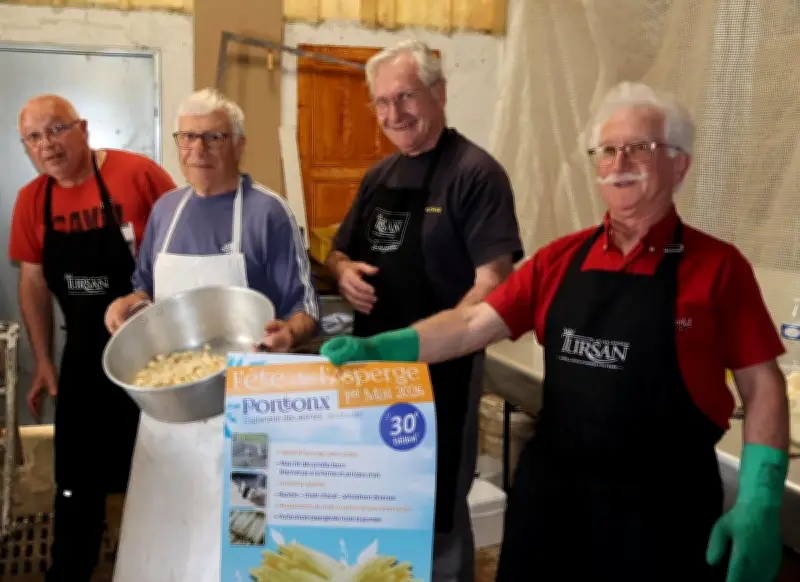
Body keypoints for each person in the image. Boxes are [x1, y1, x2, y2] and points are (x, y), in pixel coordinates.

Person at [321, 82, 790, 581]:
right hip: (554, 506)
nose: (619, 162)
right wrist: (385, 347)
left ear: (679, 164)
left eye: (639, 147)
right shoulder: (560, 259)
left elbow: (762, 386)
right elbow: (472, 324)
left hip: (661, 513)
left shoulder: (719, 268)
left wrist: (759, 501)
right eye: (607, 150)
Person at [325, 40, 523, 582]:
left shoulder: (476, 174)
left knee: (435, 509)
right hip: (373, 371)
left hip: (442, 376)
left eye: (406, 96)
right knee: (378, 497)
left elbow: (494, 282)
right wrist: (343, 272)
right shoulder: (378, 176)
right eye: (382, 102)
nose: (394, 113)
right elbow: (338, 251)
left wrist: (439, 341)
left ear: (439, 92)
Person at [102, 88, 319, 580]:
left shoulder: (269, 213)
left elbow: (305, 309)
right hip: (167, 409)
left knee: (243, 540)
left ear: (239, 144)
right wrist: (127, 303)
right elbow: (145, 290)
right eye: (187, 137)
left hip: (247, 413)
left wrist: (289, 334)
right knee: (162, 539)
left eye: (213, 137)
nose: (197, 149)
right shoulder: (165, 210)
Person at [8, 94, 176, 581]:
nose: (47, 144)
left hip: (152, 355)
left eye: (56, 129)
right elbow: (33, 283)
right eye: (34, 137)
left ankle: (163, 566)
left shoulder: (138, 175)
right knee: (77, 480)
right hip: (83, 356)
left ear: (82, 128)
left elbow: (181, 243)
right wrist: (43, 360)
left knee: (158, 468)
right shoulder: (32, 200)